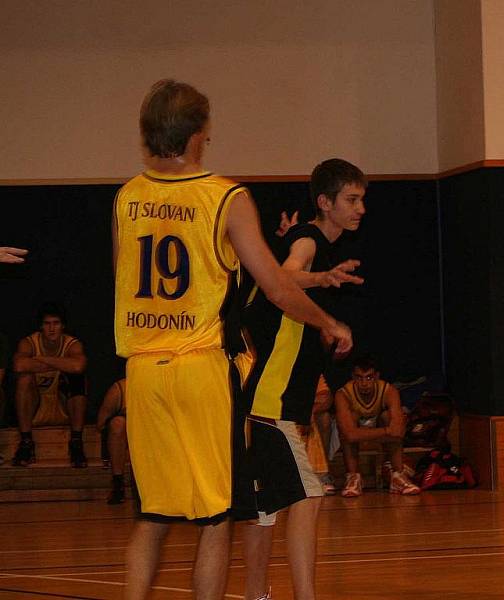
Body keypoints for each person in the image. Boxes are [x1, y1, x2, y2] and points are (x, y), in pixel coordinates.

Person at [113, 79, 352, 600]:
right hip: (201, 367)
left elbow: (123, 276)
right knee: (215, 517)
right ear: (199, 134)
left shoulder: (127, 197)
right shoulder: (226, 196)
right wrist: (327, 322)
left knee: (151, 516)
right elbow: (277, 287)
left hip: (141, 371)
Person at [232, 158, 366, 600]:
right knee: (309, 496)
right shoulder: (308, 240)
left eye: (362, 199)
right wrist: (322, 281)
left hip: (265, 401)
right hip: (271, 401)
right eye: (351, 199)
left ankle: (257, 596)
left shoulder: (303, 237)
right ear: (324, 203)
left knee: (265, 509)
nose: (360, 208)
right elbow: (284, 280)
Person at [11, 302, 88, 468]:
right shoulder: (29, 343)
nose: (52, 328)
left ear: (63, 326)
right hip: (36, 408)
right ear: (41, 326)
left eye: (56, 323)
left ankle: (76, 442)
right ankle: (26, 442)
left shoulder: (71, 344)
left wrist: (41, 359)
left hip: (63, 407)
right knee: (24, 380)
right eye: (47, 324)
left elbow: (78, 366)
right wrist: (61, 364)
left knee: (77, 379)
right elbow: (19, 365)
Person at [334, 355, 419, 497]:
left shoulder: (389, 390)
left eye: (369, 377)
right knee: (348, 424)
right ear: (353, 377)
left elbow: (398, 431)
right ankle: (353, 477)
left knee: (388, 417)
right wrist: (385, 431)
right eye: (359, 378)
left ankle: (398, 476)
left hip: (377, 424)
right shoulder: (343, 394)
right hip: (366, 429)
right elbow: (350, 434)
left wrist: (365, 433)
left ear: (377, 376)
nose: (364, 383)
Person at [96, 378, 127, 504]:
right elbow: (101, 423)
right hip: (132, 439)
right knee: (117, 424)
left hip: (156, 433)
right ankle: (118, 482)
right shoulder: (120, 389)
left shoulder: (165, 383)